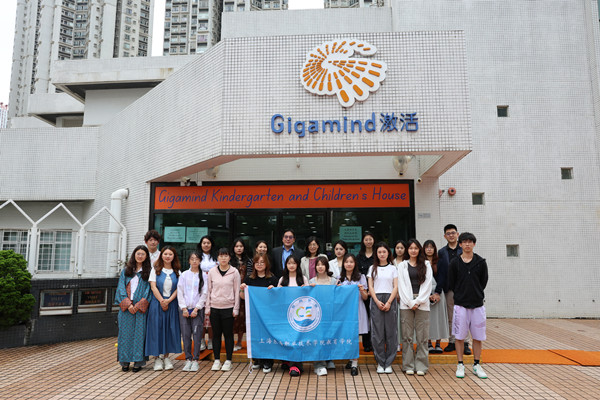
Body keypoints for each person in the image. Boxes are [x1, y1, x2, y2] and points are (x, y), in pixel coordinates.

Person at [449, 232, 489, 379]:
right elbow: (451, 282)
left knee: (478, 337)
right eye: (464, 242)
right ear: (460, 244)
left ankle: (476, 364)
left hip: (477, 305)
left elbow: (483, 281)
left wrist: (475, 293)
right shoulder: (455, 263)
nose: (467, 244)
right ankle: (460, 364)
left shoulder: (480, 262)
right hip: (461, 305)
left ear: (474, 244)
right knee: (459, 337)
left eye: (470, 242)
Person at [398, 239, 433, 376]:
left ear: (419, 250)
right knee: (407, 336)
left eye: (416, 248)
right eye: (411, 248)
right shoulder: (402, 265)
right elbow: (401, 285)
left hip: (422, 303)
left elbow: (428, 285)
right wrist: (410, 302)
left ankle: (421, 366)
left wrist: (418, 301)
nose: (413, 250)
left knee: (422, 336)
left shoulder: (426, 264)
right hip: (406, 303)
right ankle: (408, 365)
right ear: (407, 250)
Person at [115, 245, 152, 372]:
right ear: (134, 255)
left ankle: (138, 362)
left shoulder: (149, 272)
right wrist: (128, 304)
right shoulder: (126, 271)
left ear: (146, 256)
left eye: (143, 254)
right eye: (138, 253)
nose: (140, 256)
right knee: (125, 335)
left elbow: (149, 291)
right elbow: (120, 288)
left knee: (139, 335)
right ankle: (124, 362)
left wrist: (138, 305)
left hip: (140, 309)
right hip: (126, 308)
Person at [240, 253, 279, 373]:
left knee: (267, 336)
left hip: (269, 314)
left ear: (267, 264)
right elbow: (243, 297)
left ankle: (268, 362)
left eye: (262, 262)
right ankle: (257, 359)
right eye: (257, 262)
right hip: (254, 314)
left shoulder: (272, 279)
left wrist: (274, 290)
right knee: (256, 336)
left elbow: (278, 297)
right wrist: (242, 289)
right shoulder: (249, 279)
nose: (259, 265)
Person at [145, 246, 182, 371]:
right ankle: (156, 359)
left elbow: (179, 288)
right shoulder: (155, 269)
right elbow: (153, 287)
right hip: (157, 304)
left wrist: (168, 300)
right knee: (156, 330)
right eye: (165, 254)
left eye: (170, 254)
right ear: (161, 255)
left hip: (171, 304)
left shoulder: (177, 271)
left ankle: (166, 357)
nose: (167, 256)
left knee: (169, 330)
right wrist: (162, 301)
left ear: (174, 256)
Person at [206, 247, 241, 372]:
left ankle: (228, 360)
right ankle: (216, 360)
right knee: (216, 335)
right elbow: (208, 290)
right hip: (214, 307)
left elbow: (237, 291)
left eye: (226, 256)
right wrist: (208, 307)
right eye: (221, 256)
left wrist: (236, 308)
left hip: (228, 308)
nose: (223, 258)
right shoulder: (212, 271)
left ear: (229, 258)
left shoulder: (234, 272)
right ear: (217, 258)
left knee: (228, 335)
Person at [438, 224, 470, 355]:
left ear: (457, 234)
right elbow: (441, 272)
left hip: (463, 289)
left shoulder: (464, 250)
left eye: (453, 233)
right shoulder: (441, 252)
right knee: (451, 316)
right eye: (448, 233)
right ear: (445, 236)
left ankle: (465, 342)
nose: (451, 235)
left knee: (464, 316)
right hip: (449, 289)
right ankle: (452, 341)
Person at [367, 242, 398, 374]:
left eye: (384, 252)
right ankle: (380, 362)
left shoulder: (393, 268)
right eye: (379, 252)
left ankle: (389, 362)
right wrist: (376, 301)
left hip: (390, 299)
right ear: (376, 254)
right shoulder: (372, 268)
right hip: (376, 299)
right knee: (377, 333)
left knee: (391, 332)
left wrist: (389, 302)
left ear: (388, 253)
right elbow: (370, 286)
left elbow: (395, 286)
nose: (382, 254)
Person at [337, 253, 368, 376]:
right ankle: (351, 358)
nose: (349, 264)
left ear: (355, 264)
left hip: (357, 308)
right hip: (345, 311)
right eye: (346, 262)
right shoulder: (339, 278)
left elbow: (365, 297)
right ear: (343, 264)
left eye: (351, 262)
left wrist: (361, 290)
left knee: (355, 335)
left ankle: (354, 363)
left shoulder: (361, 277)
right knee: (347, 335)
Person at [277, 255, 308, 377]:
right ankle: (286, 360)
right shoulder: (282, 279)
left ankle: (296, 365)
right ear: (286, 265)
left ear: (297, 265)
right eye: (289, 263)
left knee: (297, 340)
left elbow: (309, 296)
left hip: (300, 316)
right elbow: (277, 296)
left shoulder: (303, 279)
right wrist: (274, 289)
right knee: (286, 338)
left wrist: (307, 288)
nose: (291, 265)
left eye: (294, 263)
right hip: (285, 314)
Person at [177, 251, 207, 372]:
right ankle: (188, 359)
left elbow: (204, 293)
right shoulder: (184, 275)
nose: (194, 261)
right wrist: (183, 308)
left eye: (197, 259)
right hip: (184, 310)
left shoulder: (204, 275)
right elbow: (180, 292)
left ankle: (195, 360)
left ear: (200, 261)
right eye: (192, 259)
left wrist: (197, 308)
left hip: (197, 310)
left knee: (197, 335)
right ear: (189, 261)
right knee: (185, 335)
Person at [308, 256, 338, 376]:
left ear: (327, 266)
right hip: (316, 315)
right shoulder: (311, 281)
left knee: (329, 336)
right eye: (318, 265)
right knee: (318, 338)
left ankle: (329, 359)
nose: (320, 267)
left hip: (331, 314)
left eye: (322, 264)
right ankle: (319, 365)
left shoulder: (333, 281)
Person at [424, 240, 449, 354]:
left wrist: (437, 293)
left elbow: (443, 277)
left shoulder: (440, 261)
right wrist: (428, 294)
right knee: (427, 319)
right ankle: (429, 342)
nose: (429, 249)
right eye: (427, 247)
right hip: (425, 293)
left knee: (439, 318)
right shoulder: (421, 262)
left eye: (431, 247)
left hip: (438, 292)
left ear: (435, 249)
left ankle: (438, 343)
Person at [197, 235, 218, 351]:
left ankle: (210, 339)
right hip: (199, 287)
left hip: (213, 287)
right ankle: (201, 340)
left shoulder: (216, 256)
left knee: (210, 316)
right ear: (200, 244)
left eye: (208, 243)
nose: (206, 245)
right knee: (200, 316)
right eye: (204, 243)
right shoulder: (197, 256)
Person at [231, 238, 252, 351]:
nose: (239, 248)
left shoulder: (248, 260)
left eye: (241, 246)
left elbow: (250, 275)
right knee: (232, 318)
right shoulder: (229, 260)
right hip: (231, 291)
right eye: (236, 246)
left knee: (242, 317)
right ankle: (230, 341)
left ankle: (239, 341)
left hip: (244, 291)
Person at [357, 231, 375, 352]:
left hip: (376, 290)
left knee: (375, 317)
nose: (368, 242)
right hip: (363, 291)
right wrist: (365, 289)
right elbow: (358, 274)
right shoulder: (359, 257)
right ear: (363, 241)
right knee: (365, 316)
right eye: (366, 239)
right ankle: (366, 343)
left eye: (370, 239)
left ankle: (375, 342)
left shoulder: (377, 255)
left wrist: (372, 290)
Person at [393, 239, 408, 351]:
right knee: (395, 320)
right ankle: (397, 343)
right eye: (397, 248)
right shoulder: (391, 262)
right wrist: (396, 293)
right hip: (394, 295)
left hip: (406, 295)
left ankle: (407, 343)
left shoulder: (408, 262)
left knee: (406, 320)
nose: (399, 250)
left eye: (401, 248)